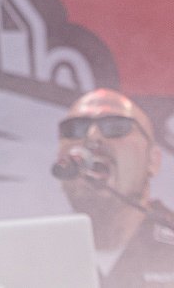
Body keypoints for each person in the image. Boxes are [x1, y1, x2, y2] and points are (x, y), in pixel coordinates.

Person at [56, 88, 174, 286]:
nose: (92, 137)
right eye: (75, 128)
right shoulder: (33, 254)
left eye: (116, 126)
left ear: (153, 160)